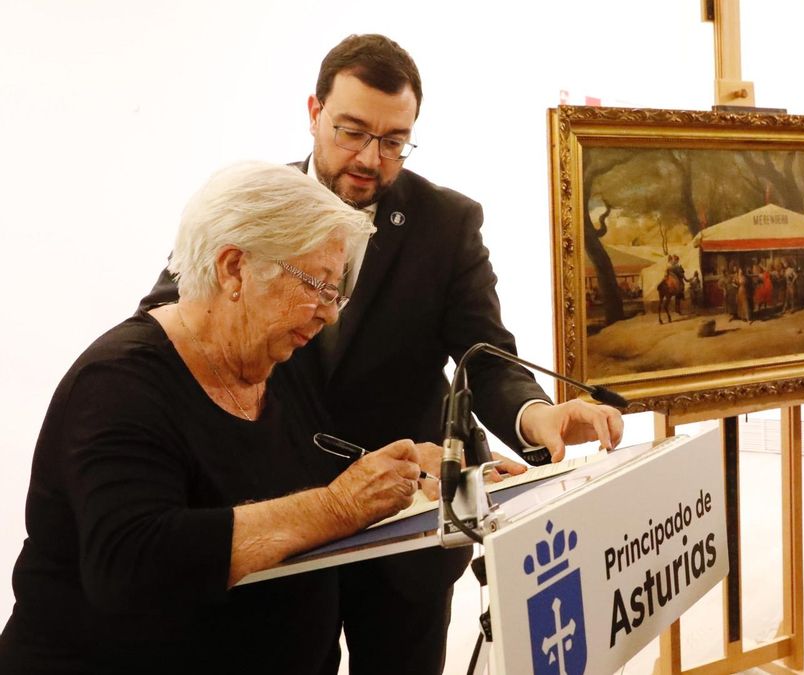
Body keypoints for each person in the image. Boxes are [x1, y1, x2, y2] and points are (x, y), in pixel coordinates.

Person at [140, 34, 624, 674]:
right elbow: (169, 320)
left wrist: (534, 414)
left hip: (409, 536)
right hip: (280, 520)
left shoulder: (446, 223)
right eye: (352, 132)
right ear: (313, 112)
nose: (372, 158)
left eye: (395, 140)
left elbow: (484, 352)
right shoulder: (249, 207)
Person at [0, 162, 425, 674]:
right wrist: (336, 508)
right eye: (317, 283)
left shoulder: (280, 360)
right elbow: (132, 562)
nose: (329, 312)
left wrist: (420, 470)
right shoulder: (118, 384)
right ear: (233, 268)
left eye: (337, 292)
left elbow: (313, 466)